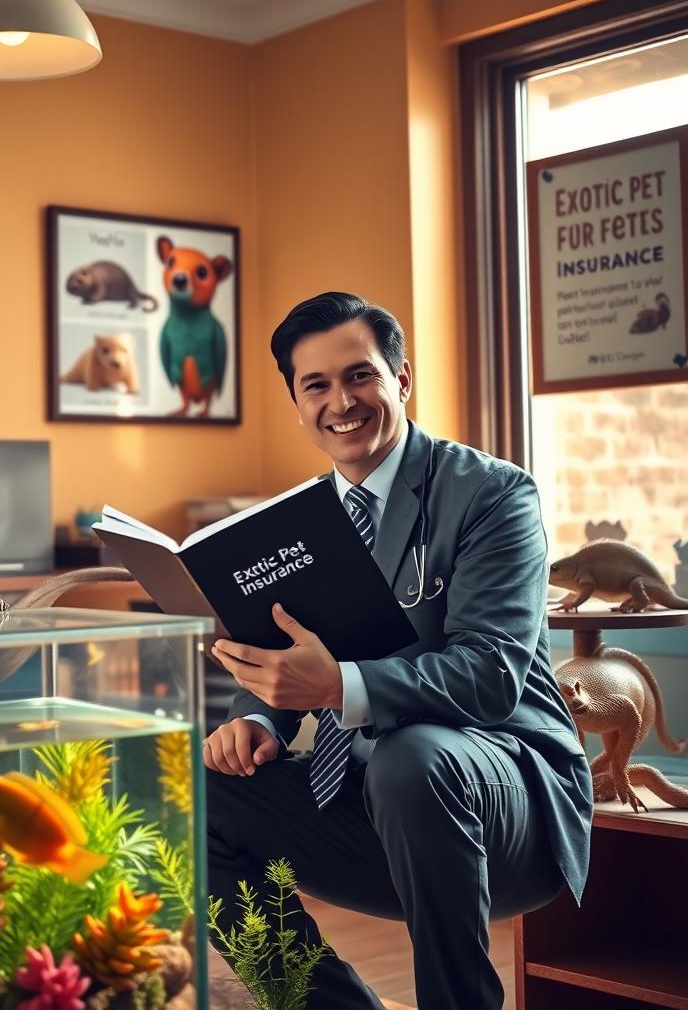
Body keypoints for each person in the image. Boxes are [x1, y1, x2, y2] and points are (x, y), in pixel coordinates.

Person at [204, 292, 593, 1010]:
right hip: (379, 812)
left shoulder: (493, 495)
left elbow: (492, 675)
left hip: (511, 808)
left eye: (360, 376)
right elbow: (283, 652)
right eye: (315, 385)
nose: (340, 402)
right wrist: (255, 722)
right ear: (296, 401)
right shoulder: (302, 521)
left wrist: (338, 687)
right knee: (199, 791)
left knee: (411, 759)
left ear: (402, 379)